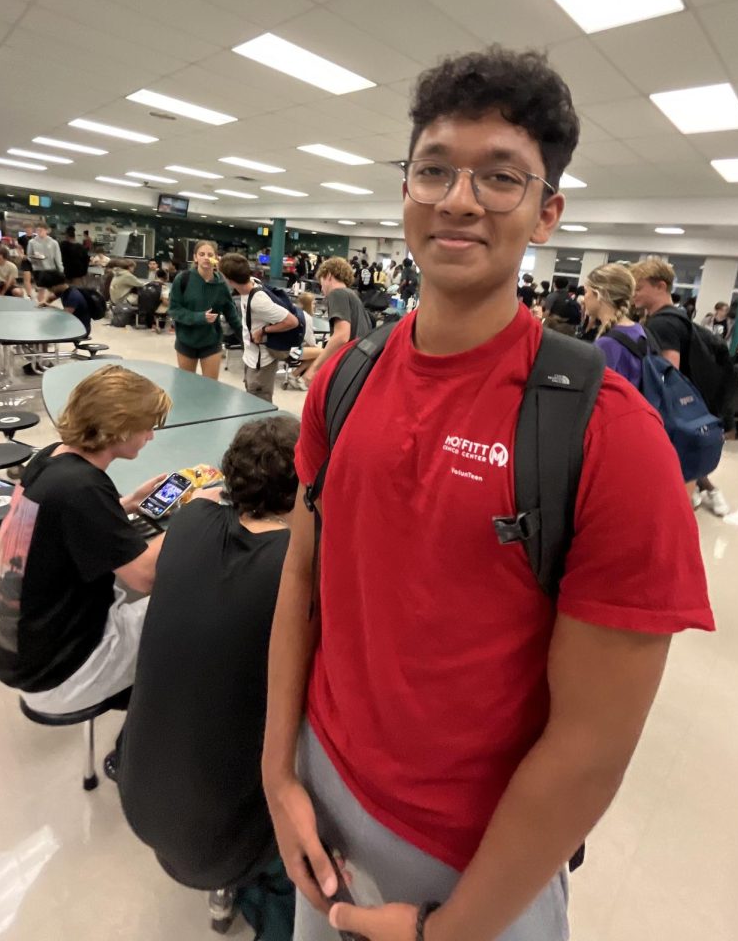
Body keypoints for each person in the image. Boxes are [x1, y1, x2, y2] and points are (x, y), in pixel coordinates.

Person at [262, 46, 714, 941]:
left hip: (474, 866)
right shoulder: (341, 381)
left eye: (500, 178)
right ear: (406, 189)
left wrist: (451, 930)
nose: (458, 199)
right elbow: (302, 585)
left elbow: (592, 748)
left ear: (547, 213)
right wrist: (279, 774)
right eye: (434, 169)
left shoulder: (610, 436)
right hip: (321, 792)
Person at [119, 416, 300, 939]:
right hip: (226, 836)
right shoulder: (293, 570)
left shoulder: (193, 518)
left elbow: (212, 495)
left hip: (141, 798)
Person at [0, 365, 171, 714]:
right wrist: (195, 517)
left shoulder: (51, 458)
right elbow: (145, 577)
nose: (150, 436)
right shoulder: (83, 488)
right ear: (119, 427)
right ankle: (144, 733)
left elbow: (60, 517)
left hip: (24, 655)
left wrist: (126, 504)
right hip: (61, 673)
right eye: (147, 426)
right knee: (187, 607)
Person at [632, 257, 729, 516]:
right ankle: (704, 490)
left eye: (639, 287)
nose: (634, 294)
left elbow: (667, 373)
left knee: (678, 464)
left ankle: (686, 505)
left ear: (660, 286)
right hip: (697, 402)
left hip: (677, 410)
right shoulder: (680, 317)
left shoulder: (661, 323)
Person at [219, 253, 299, 403]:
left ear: (229, 281)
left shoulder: (258, 301)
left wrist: (263, 331)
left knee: (259, 404)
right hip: (251, 358)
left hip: (261, 362)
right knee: (251, 398)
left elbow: (292, 321)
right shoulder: (251, 283)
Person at [170, 242, 242, 380]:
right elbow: (174, 309)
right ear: (195, 258)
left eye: (210, 255)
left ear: (216, 258)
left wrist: (244, 337)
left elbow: (231, 313)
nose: (206, 258)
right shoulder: (183, 279)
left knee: (210, 388)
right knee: (186, 384)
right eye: (201, 254)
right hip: (186, 341)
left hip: (211, 342)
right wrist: (199, 317)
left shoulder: (222, 284)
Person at [301, 257, 372, 389]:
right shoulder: (353, 296)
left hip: (348, 366)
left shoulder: (337, 294)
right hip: (360, 365)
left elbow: (342, 336)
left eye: (321, 282)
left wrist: (315, 367)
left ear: (328, 275)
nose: (321, 289)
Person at [582, 264, 648, 387]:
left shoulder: (607, 344)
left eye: (586, 292)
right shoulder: (638, 330)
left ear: (599, 294)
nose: (583, 299)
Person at [38, 271, 92, 337]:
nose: (49, 290)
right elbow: (50, 298)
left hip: (80, 329)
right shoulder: (64, 289)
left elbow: (64, 317)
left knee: (44, 330)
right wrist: (44, 301)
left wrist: (52, 307)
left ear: (56, 285)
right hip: (72, 323)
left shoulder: (72, 296)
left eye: (49, 288)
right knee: (44, 326)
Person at [26, 221, 63, 301]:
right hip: (38, 269)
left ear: (47, 230)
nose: (39, 232)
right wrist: (35, 259)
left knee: (50, 289)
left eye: (41, 230)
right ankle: (40, 304)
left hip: (51, 268)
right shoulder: (32, 242)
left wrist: (61, 270)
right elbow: (29, 256)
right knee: (41, 288)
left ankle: (45, 303)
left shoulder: (53, 243)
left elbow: (57, 257)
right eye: (38, 230)